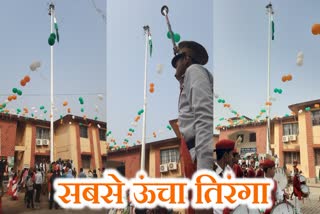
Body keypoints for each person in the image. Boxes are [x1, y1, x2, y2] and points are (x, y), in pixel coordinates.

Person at [171, 41, 214, 175]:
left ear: (187, 59)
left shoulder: (194, 71)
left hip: (198, 153)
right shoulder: (190, 75)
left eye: (178, 61)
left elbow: (204, 117)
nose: (175, 65)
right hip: (192, 151)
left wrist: (204, 170)